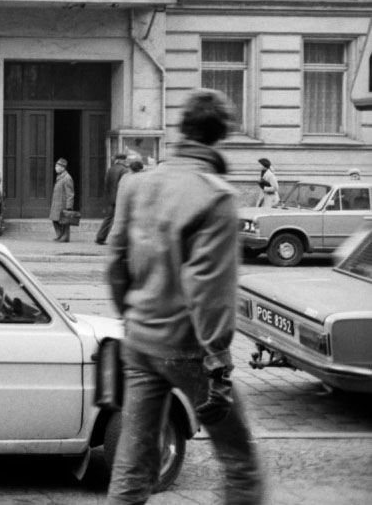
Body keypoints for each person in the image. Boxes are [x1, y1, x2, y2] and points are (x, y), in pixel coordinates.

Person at [105, 88, 264, 505]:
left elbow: (115, 261)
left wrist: (130, 315)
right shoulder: (216, 196)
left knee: (134, 459)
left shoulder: (140, 184)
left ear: (182, 130)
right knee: (240, 461)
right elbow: (209, 287)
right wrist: (217, 360)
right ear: (220, 137)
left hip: (139, 339)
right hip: (187, 346)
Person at [96, 153, 130, 245]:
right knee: (122, 219)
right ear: (121, 160)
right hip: (120, 198)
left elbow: (106, 184)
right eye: (125, 160)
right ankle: (121, 241)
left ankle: (100, 237)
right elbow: (125, 185)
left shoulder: (111, 169)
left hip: (111, 198)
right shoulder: (124, 170)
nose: (126, 161)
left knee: (109, 218)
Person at [50, 157, 75, 242]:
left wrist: (69, 206)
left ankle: (65, 237)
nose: (55, 168)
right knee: (55, 220)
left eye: (57, 166)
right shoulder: (60, 177)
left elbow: (70, 193)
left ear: (62, 167)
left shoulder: (67, 178)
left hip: (63, 203)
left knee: (64, 222)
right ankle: (60, 235)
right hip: (57, 203)